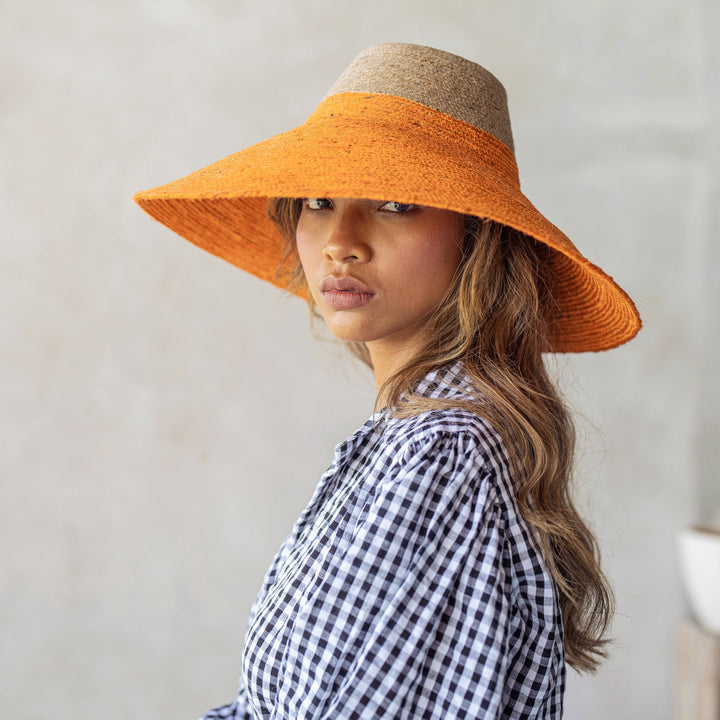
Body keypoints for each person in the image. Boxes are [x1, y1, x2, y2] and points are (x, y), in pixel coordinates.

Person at [134, 43, 641, 720]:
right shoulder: (411, 439)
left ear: (477, 237)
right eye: (317, 201)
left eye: (397, 203)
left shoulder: (441, 454)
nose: (341, 241)